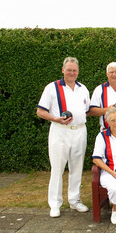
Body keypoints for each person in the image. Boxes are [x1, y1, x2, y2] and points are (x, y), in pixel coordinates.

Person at [36, 57, 90, 218]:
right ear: (63, 70)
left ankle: (74, 200)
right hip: (60, 131)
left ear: (78, 71)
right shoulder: (52, 88)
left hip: (80, 131)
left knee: (77, 167)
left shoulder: (83, 89)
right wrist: (56, 118)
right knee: (58, 168)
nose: (72, 73)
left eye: (74, 70)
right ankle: (55, 203)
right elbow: (40, 111)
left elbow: (85, 110)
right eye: (69, 70)